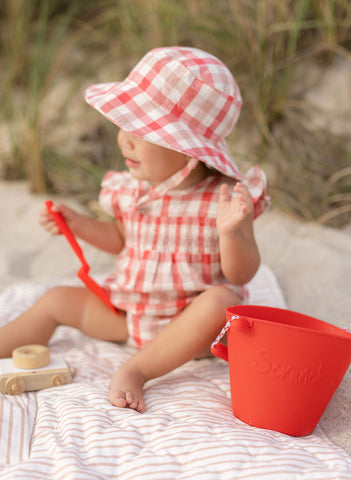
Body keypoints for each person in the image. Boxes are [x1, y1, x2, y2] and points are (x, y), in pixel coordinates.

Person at [0, 47, 269, 412]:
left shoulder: (225, 199)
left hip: (188, 328)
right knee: (55, 300)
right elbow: (121, 240)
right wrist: (78, 224)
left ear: (189, 151)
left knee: (222, 302)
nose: (124, 140)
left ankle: (137, 370)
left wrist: (231, 233)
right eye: (124, 126)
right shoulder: (131, 188)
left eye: (142, 131)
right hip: (129, 315)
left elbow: (241, 272)